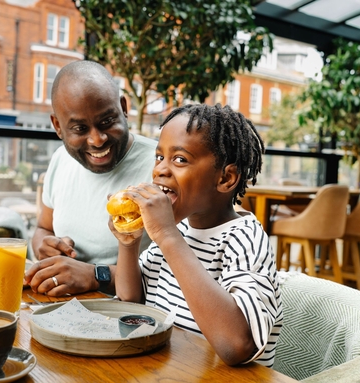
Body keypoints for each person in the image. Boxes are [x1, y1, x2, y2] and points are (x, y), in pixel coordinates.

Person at [109, 103, 283, 367]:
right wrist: (129, 244)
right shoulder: (179, 231)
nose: (160, 170)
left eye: (180, 159)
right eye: (159, 157)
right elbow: (133, 301)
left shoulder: (244, 238)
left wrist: (167, 237)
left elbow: (237, 345)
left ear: (226, 178)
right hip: (171, 370)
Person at [24, 60, 156, 296]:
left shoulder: (161, 167)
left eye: (107, 122)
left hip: (130, 318)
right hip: (59, 308)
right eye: (79, 129)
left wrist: (95, 275)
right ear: (57, 126)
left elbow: (176, 273)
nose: (97, 140)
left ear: (124, 108)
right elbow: (43, 228)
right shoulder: (61, 159)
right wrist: (44, 247)